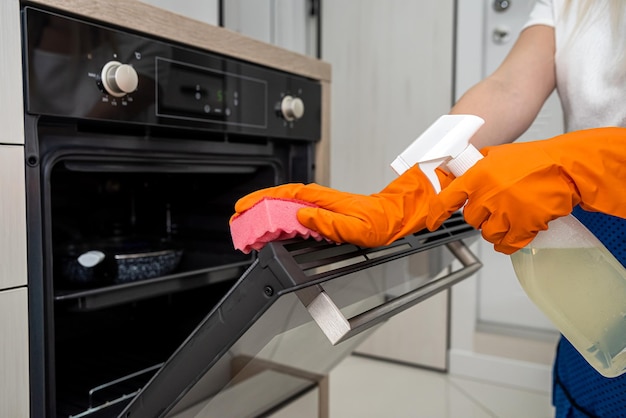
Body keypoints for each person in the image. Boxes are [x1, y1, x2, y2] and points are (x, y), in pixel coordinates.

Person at [232, 1, 626, 415]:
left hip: (601, 195)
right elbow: (508, 87)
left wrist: (587, 164)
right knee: (597, 369)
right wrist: (412, 191)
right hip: (592, 234)